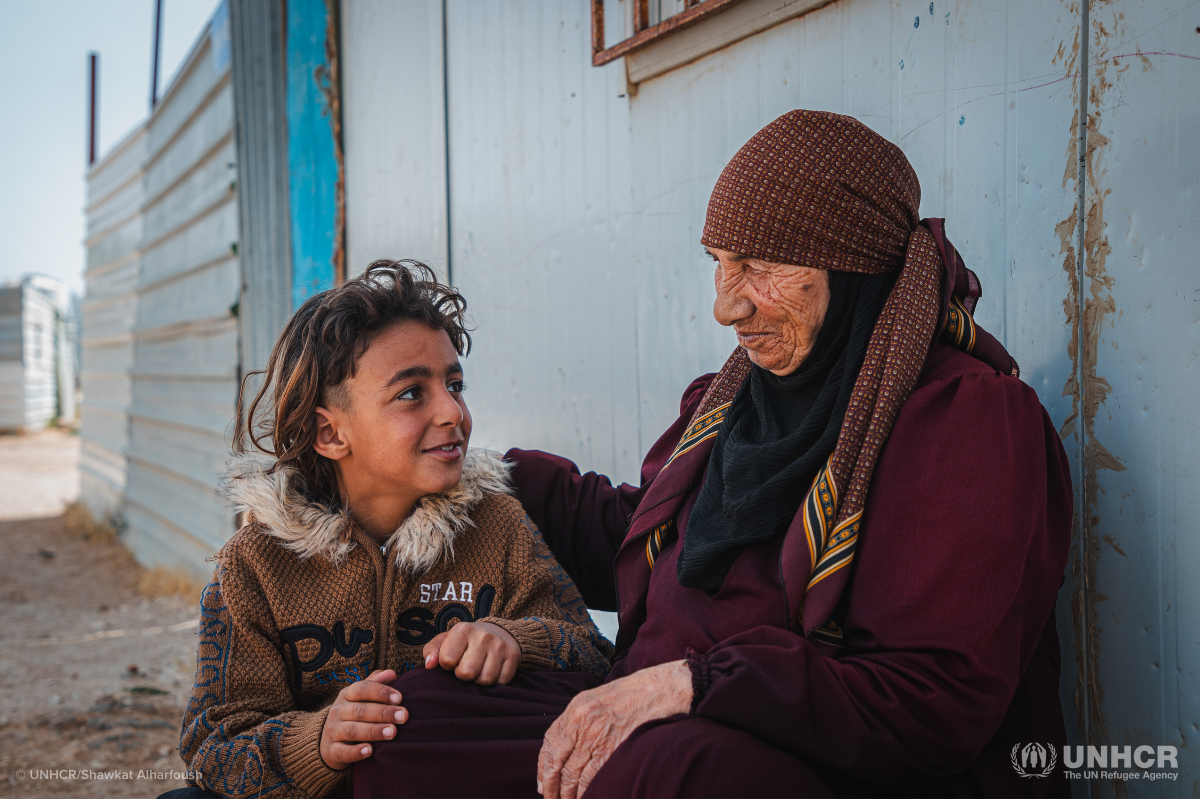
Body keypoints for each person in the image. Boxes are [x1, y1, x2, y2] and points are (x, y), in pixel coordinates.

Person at [356, 110, 1073, 798]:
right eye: (720, 263)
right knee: (412, 723)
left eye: (759, 266)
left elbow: (933, 700)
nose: (728, 307)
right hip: (676, 715)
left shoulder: (965, 420)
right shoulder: (735, 401)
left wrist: (694, 685)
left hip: (830, 763)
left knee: (670, 772)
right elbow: (641, 543)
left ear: (850, 266)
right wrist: (477, 471)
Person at [173, 261, 613, 799]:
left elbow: (591, 652)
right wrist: (318, 741)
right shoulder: (256, 566)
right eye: (412, 393)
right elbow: (213, 746)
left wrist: (513, 639)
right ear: (330, 433)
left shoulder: (496, 526)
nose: (452, 411)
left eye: (455, 384)